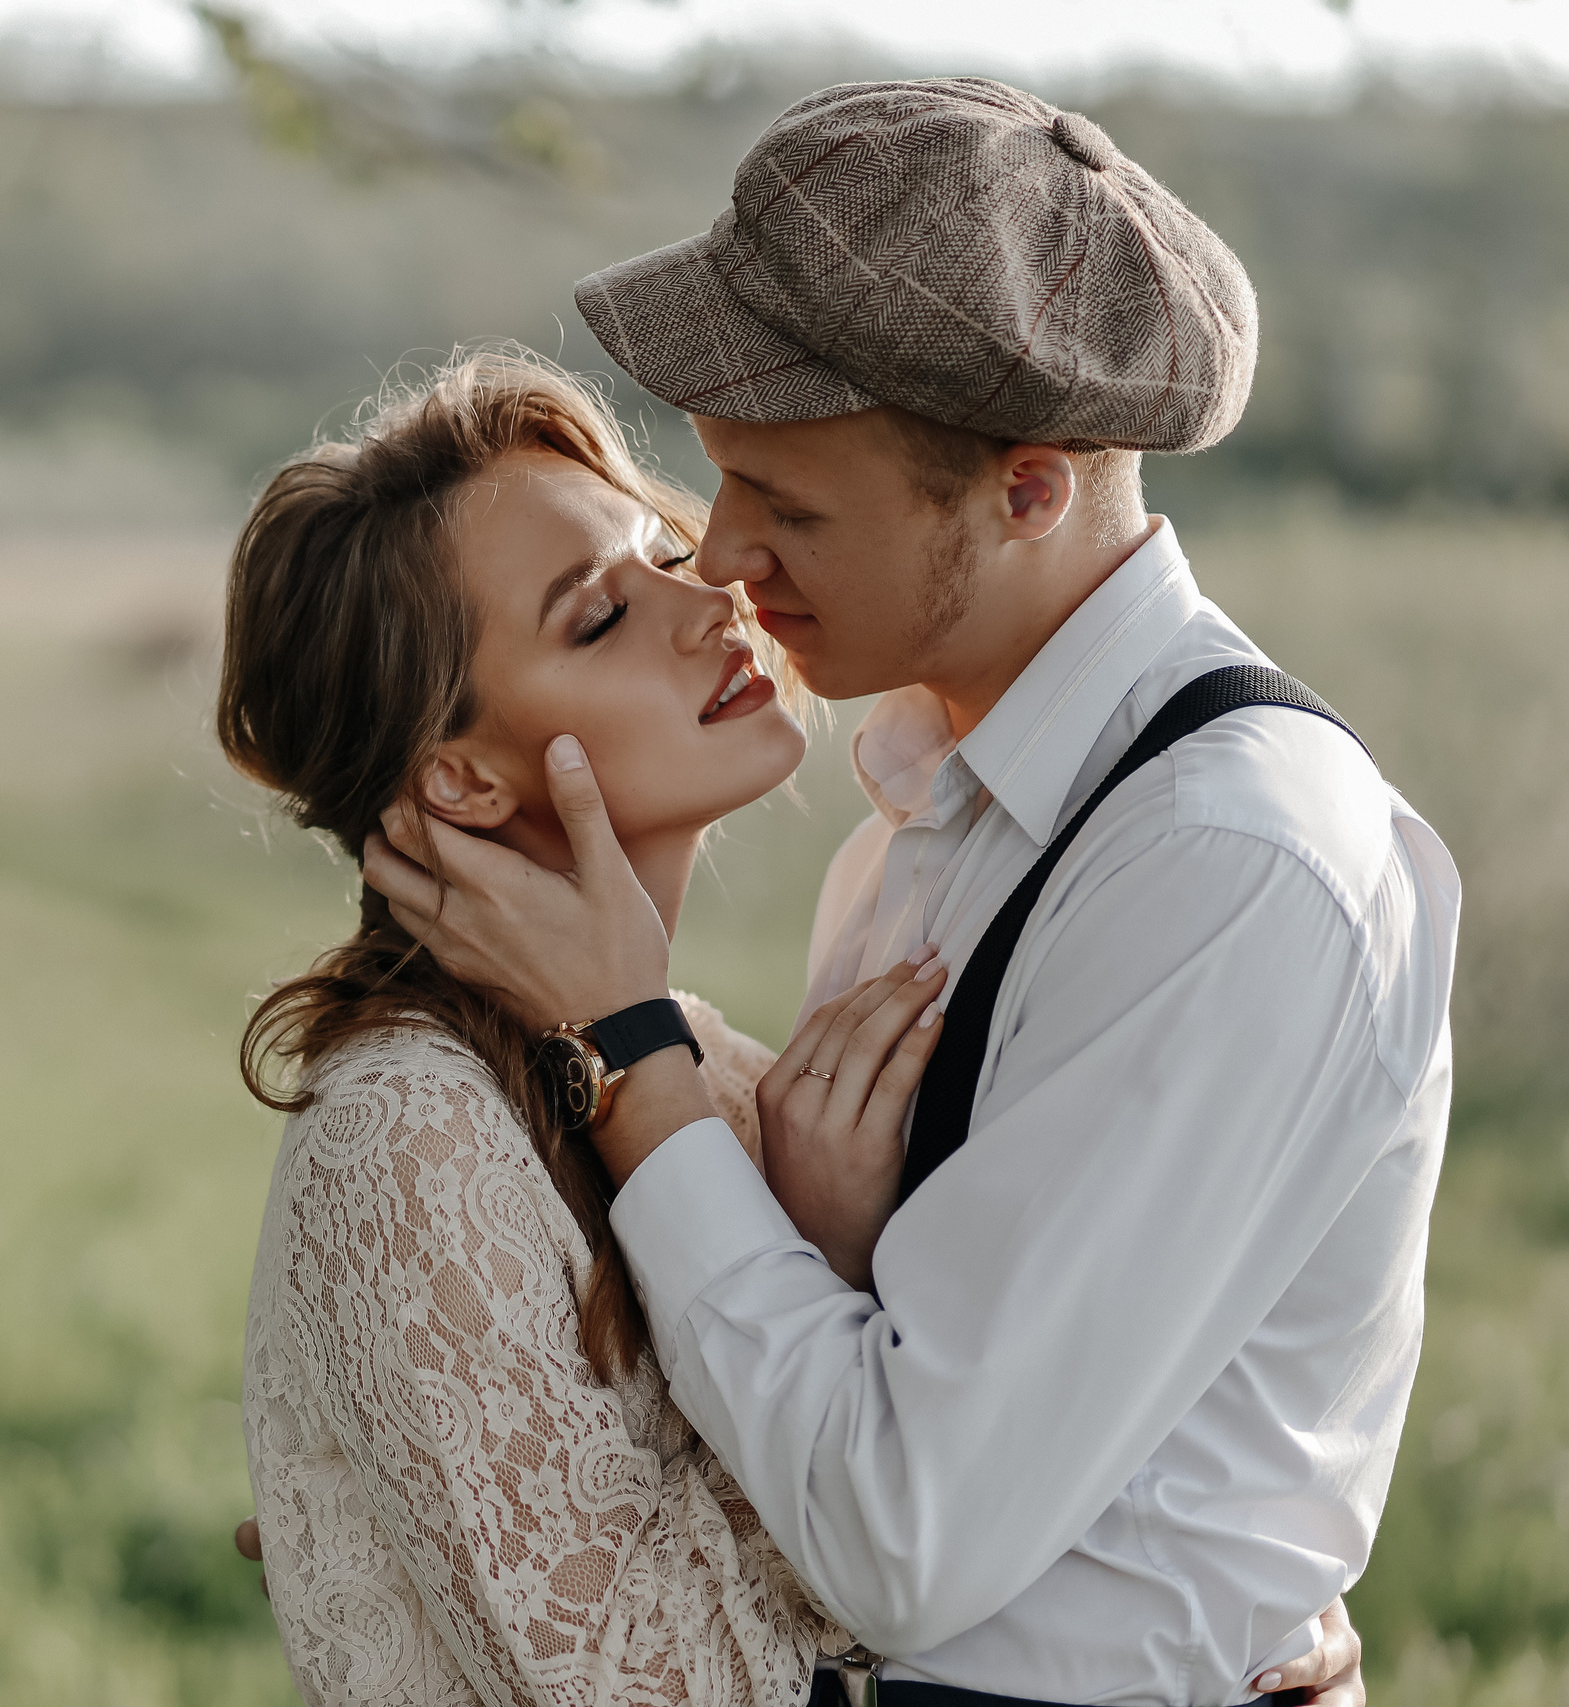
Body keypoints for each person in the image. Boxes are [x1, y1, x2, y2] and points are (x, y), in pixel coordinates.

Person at [351, 77, 1454, 1707]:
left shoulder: (1229, 867)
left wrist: (633, 1058)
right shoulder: (929, 814)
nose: (716, 556)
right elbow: (852, 1400)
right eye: (722, 482)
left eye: (788, 506)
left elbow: (899, 1540)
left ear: (1027, 490)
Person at [222, 345, 945, 1706]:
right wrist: (828, 1260)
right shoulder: (404, 1131)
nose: (714, 597)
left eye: (663, 554)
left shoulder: (705, 1069)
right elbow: (651, 1687)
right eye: (599, 619)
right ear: (462, 779)